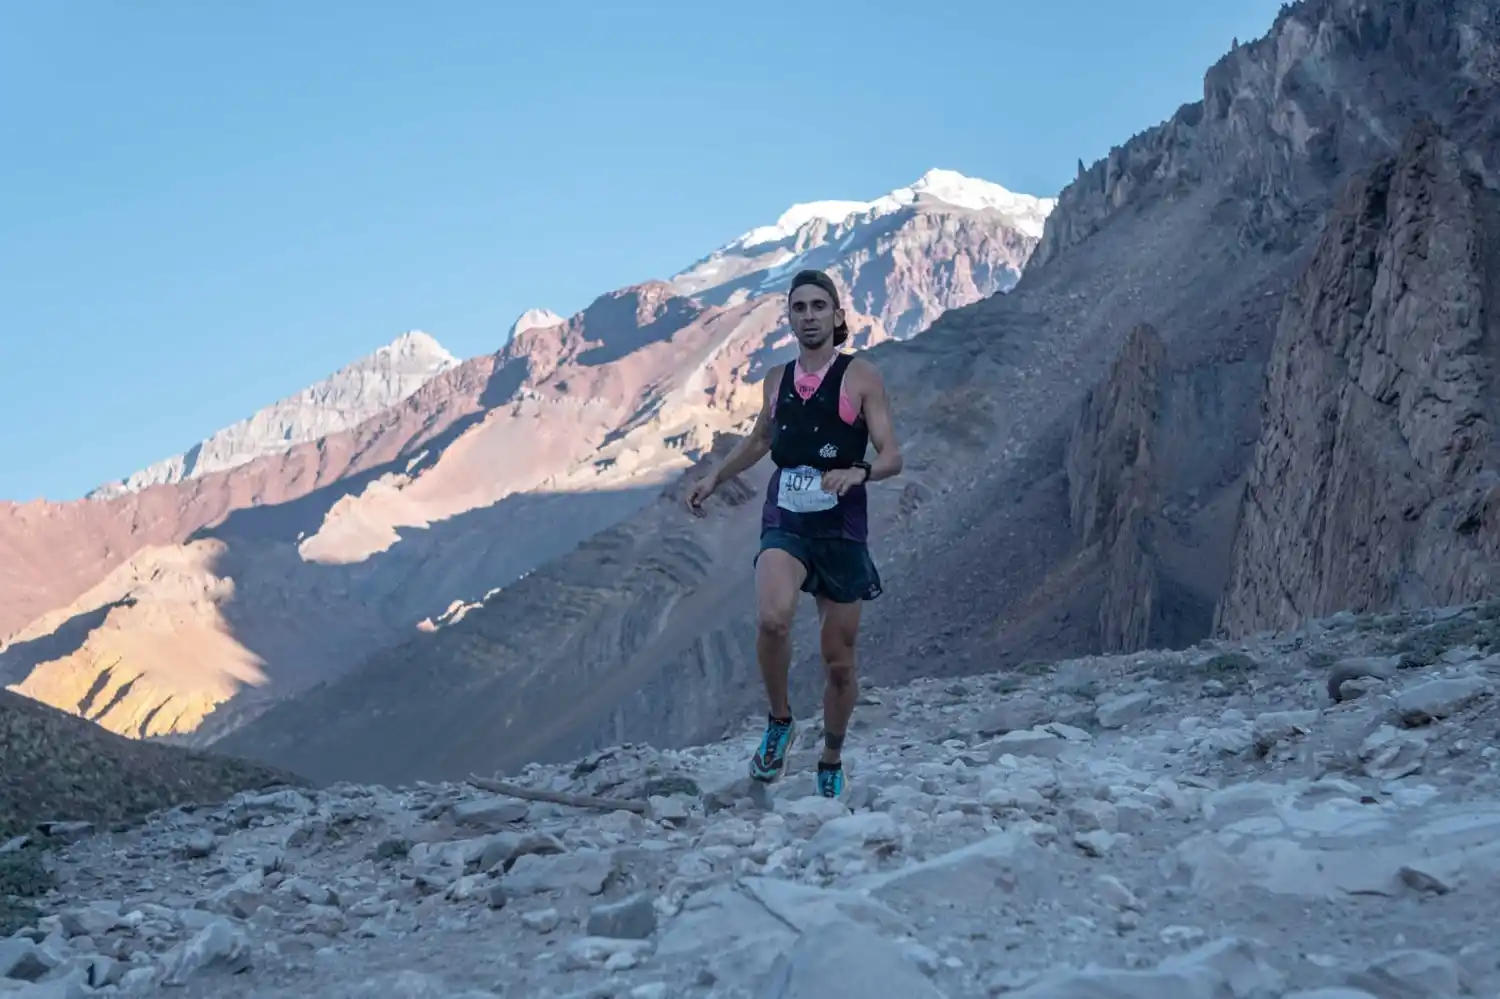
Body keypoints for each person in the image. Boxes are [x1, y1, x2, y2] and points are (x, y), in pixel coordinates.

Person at [686, 268, 903, 799]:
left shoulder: (862, 378)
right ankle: (780, 722)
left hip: (842, 527)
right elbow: (763, 438)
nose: (808, 316)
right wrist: (716, 475)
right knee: (773, 618)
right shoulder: (777, 380)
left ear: (837, 316)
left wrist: (861, 472)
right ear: (789, 318)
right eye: (798, 307)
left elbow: (892, 454)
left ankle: (830, 757)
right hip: (787, 518)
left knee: (838, 661)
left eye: (817, 306)